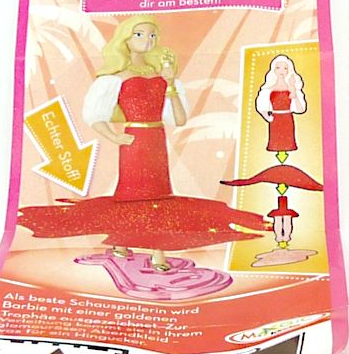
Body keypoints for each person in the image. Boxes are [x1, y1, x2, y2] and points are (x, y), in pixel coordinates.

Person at [18, 15, 267, 273]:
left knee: (158, 198)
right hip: (134, 141)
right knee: (134, 196)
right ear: (126, 39)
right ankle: (138, 246)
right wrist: (115, 137)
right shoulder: (115, 78)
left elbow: (179, 119)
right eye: (139, 34)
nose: (147, 40)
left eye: (152, 35)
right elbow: (94, 115)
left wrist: (170, 83)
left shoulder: (162, 76)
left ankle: (136, 244)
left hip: (156, 140)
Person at [255, 55, 307, 156]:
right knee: (276, 144)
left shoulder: (292, 88)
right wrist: (267, 117)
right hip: (275, 120)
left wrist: (293, 92)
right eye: (278, 67)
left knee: (287, 145)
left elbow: (300, 109)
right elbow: (261, 106)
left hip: (287, 119)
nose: (281, 71)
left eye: (285, 68)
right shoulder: (268, 90)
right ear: (274, 70)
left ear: (289, 70)